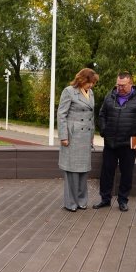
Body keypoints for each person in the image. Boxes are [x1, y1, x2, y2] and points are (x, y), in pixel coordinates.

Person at [93, 71, 136, 212]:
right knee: (106, 172)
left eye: (123, 85)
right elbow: (102, 115)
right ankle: (105, 199)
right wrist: (104, 131)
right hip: (110, 142)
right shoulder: (110, 96)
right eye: (118, 85)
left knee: (127, 173)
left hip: (129, 143)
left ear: (131, 83)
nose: (120, 88)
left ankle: (123, 200)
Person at [57, 68, 99, 212]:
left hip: (86, 136)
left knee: (83, 170)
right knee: (72, 171)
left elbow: (91, 116)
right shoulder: (69, 91)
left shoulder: (91, 93)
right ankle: (71, 203)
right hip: (72, 136)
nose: (91, 86)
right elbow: (61, 114)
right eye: (90, 82)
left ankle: (81, 201)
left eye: (93, 83)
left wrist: (92, 136)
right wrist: (63, 136)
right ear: (82, 80)